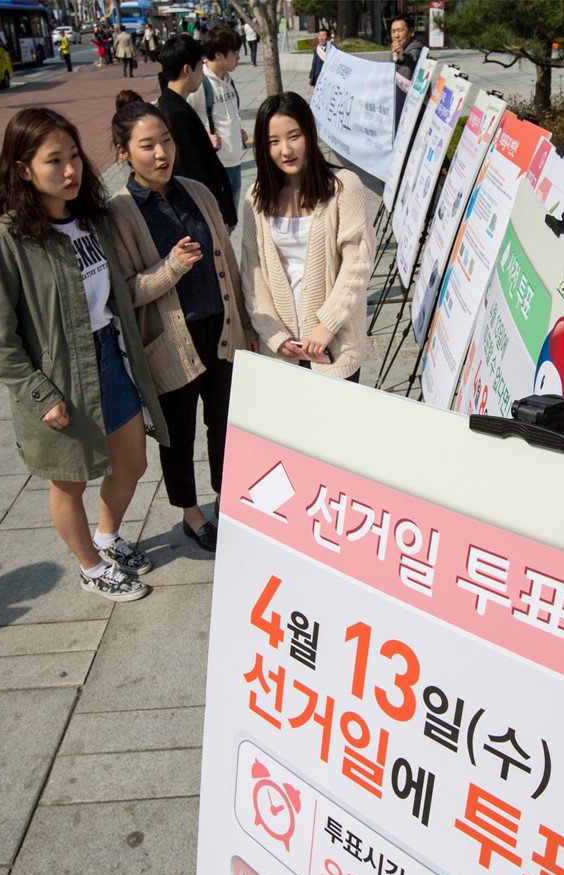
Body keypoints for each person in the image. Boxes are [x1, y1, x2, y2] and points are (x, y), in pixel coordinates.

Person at [0, 108, 169, 601]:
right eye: (54, 160)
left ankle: (106, 536)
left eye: (74, 156)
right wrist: (39, 395)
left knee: (132, 463)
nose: (70, 170)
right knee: (69, 483)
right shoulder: (8, 239)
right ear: (23, 169)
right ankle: (90, 567)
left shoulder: (91, 221)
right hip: (57, 376)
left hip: (109, 357)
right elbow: (1, 337)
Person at [107, 94, 258, 552]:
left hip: (220, 330)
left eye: (167, 141)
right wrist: (170, 268)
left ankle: (227, 500)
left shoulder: (197, 191)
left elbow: (227, 262)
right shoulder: (119, 213)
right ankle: (192, 514)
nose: (161, 153)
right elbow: (124, 293)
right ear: (123, 153)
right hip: (169, 342)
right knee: (177, 434)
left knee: (224, 423)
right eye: (147, 145)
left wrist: (245, 324)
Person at [241, 92, 374, 382]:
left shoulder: (343, 187)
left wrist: (327, 324)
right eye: (274, 141)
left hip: (334, 346)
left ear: (310, 134)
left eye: (294, 136)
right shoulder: (256, 197)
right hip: (282, 350)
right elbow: (252, 273)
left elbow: (358, 263)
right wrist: (273, 335)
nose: (286, 150)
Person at [157, 34, 237, 229]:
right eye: (200, 67)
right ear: (187, 69)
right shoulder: (176, 113)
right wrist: (216, 213)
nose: (202, 73)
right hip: (202, 215)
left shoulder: (173, 105)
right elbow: (193, 172)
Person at [187, 25, 248, 221]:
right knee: (218, 223)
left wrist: (237, 131)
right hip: (216, 167)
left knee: (231, 222)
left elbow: (229, 115)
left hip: (235, 162)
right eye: (234, 52)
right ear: (219, 55)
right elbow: (179, 118)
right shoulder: (200, 83)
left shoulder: (229, 81)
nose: (238, 56)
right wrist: (204, 138)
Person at [390, 15, 425, 123]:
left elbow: (412, 58)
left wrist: (402, 57)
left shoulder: (417, 48)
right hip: (398, 105)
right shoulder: (394, 51)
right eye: (393, 31)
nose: (396, 35)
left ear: (411, 32)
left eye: (400, 30)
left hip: (413, 109)